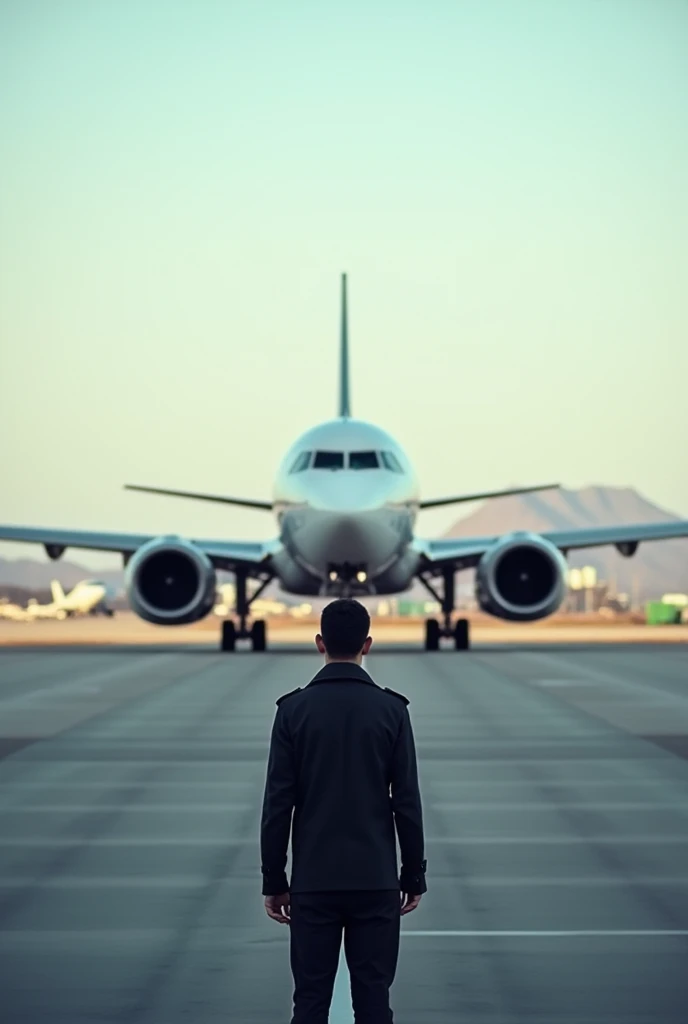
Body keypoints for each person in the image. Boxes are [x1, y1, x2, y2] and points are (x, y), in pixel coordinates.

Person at [260, 597, 427, 1023]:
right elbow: (406, 801)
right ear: (367, 645)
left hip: (314, 881)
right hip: (374, 880)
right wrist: (413, 875)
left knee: (311, 1000)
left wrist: (274, 879)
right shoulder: (393, 710)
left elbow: (279, 803)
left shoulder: (292, 711)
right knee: (373, 1000)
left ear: (320, 643)